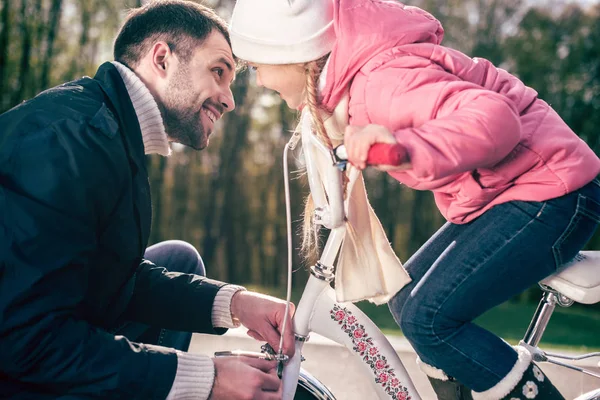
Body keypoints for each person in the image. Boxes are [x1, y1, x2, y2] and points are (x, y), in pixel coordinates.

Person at [229, 0, 600, 399]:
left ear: (293, 54)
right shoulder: (361, 84)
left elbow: (495, 119)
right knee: (407, 300)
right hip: (517, 193)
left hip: (553, 191)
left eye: (255, 67)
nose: (260, 81)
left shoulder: (382, 82)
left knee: (429, 319)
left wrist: (404, 145)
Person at [0, 1, 294, 399]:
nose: (230, 100)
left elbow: (116, 277)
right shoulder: (65, 142)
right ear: (161, 59)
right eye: (218, 72)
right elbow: (26, 341)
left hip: (32, 339)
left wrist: (236, 304)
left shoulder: (111, 131)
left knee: (179, 259)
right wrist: (207, 379)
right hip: (18, 361)